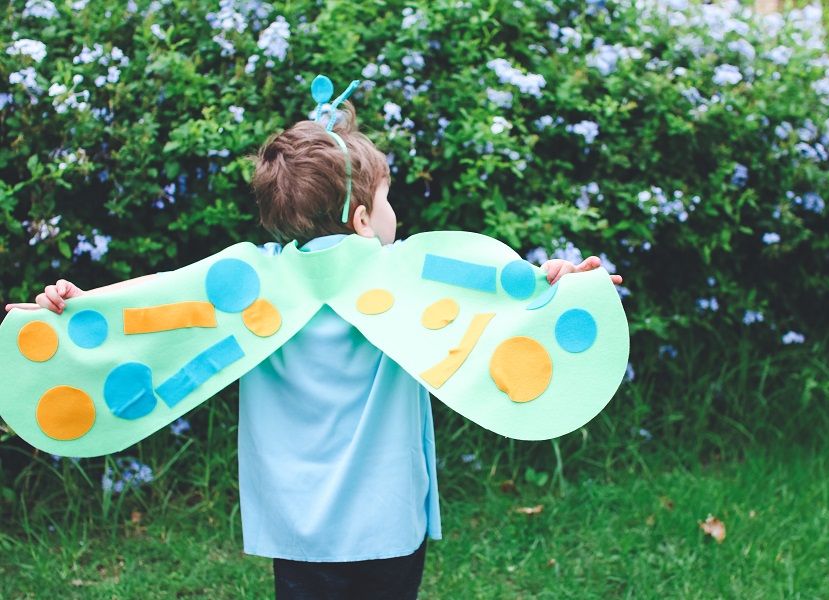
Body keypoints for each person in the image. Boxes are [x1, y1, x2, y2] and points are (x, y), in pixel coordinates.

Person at [5, 87, 622, 599]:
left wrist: (73, 308)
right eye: (387, 200)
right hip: (388, 522)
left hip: (297, 530)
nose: (394, 214)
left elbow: (155, 308)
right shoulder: (406, 273)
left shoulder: (252, 283)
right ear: (362, 220)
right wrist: (559, 283)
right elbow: (501, 294)